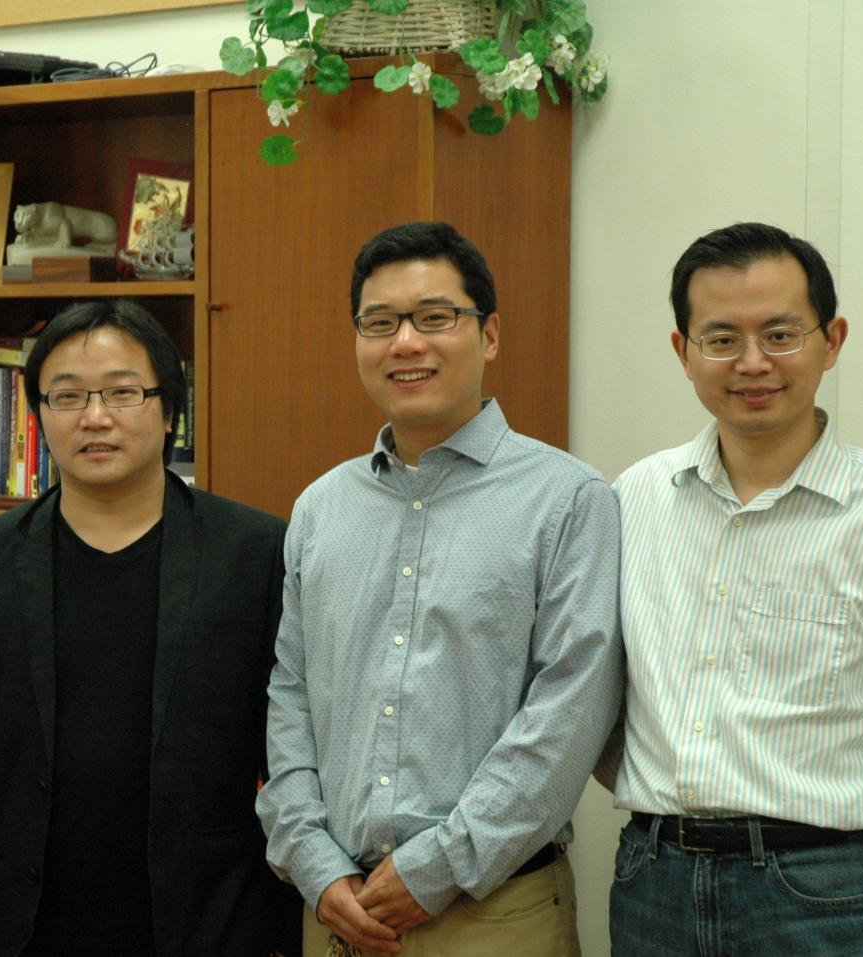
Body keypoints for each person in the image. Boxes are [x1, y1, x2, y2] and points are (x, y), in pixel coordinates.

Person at [603, 222, 863, 956]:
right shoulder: (635, 499)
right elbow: (598, 703)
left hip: (830, 893)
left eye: (781, 334)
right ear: (683, 351)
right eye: (722, 338)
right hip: (656, 884)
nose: (753, 362)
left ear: (832, 340)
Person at [257, 221, 624, 957]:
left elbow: (571, 709)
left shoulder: (567, 500)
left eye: (434, 317)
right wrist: (313, 862)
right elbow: (290, 696)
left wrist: (439, 866)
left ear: (489, 335)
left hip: (497, 912)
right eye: (380, 323)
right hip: (338, 911)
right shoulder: (320, 508)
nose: (406, 343)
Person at [0, 299, 299, 956]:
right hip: (25, 931)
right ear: (39, 416)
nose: (95, 417)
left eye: (123, 392)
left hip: (210, 925)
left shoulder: (254, 553)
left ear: (169, 411)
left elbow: (287, 753)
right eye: (67, 396)